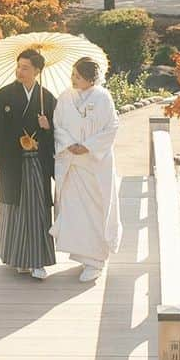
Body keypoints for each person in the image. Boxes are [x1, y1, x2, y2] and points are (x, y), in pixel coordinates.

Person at [0, 48, 56, 279]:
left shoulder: (47, 98)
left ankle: (37, 261)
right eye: (19, 66)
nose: (20, 71)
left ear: (37, 71)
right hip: (11, 162)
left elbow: (59, 133)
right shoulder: (3, 96)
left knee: (36, 210)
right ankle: (17, 257)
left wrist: (48, 126)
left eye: (25, 68)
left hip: (36, 162)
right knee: (14, 209)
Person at [50, 57, 121, 283]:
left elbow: (112, 127)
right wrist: (70, 144)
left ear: (91, 78)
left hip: (94, 164)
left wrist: (88, 146)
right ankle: (83, 256)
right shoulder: (65, 97)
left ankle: (97, 261)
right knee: (75, 212)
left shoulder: (103, 97)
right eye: (73, 75)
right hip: (72, 162)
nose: (73, 79)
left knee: (96, 208)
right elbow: (58, 125)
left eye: (78, 76)